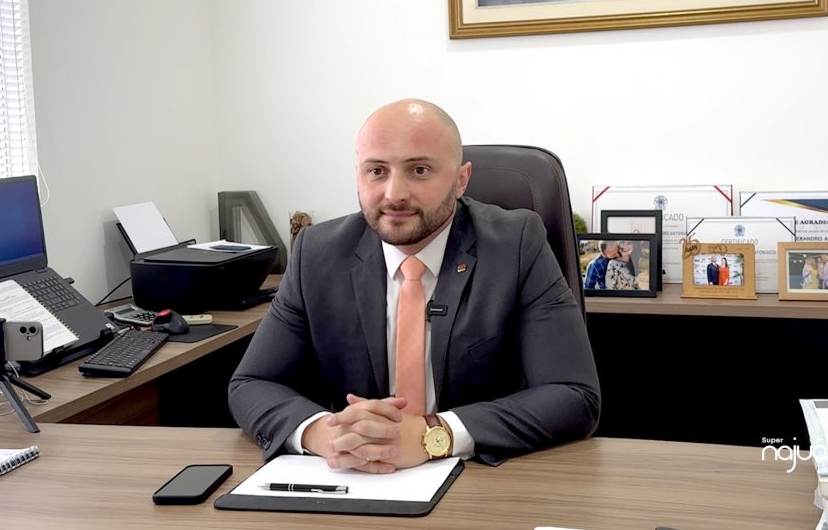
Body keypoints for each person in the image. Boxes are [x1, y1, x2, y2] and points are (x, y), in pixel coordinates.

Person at [228, 99, 601, 472]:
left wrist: (434, 434)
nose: (394, 194)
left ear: (461, 180)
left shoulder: (516, 244)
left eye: (419, 170)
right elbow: (251, 383)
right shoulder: (317, 253)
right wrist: (322, 433)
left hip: (483, 478)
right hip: (358, 476)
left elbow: (574, 396)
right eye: (377, 171)